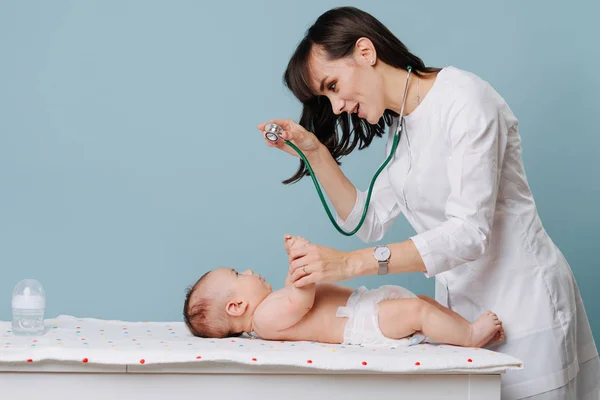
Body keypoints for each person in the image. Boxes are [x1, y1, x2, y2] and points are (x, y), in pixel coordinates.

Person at [256, 6, 599, 400]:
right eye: (325, 96)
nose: (335, 107)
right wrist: (314, 152)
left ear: (365, 52)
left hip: (525, 306)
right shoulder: (402, 126)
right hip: (458, 317)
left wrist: (349, 263)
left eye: (333, 85)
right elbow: (366, 220)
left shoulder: (466, 100)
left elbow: (470, 233)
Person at [183, 235, 505, 349]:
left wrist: (297, 267)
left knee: (423, 302)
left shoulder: (271, 306)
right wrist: (300, 258)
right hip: (363, 322)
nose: (249, 271)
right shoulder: (265, 320)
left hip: (366, 304)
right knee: (418, 313)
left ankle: (461, 328)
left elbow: (295, 294)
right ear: (237, 306)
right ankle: (469, 336)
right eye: (239, 274)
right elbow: (301, 298)